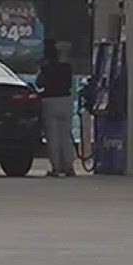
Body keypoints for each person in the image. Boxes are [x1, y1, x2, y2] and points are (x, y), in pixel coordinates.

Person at [36, 42, 78, 177]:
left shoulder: (46, 68)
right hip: (65, 101)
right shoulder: (67, 67)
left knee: (52, 137)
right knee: (65, 135)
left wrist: (41, 69)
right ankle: (69, 166)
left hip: (50, 101)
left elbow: (39, 83)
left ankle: (56, 167)